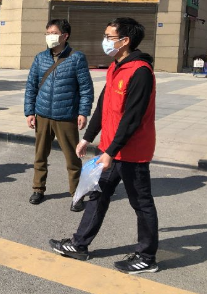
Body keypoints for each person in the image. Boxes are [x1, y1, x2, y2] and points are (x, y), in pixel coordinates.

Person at [49, 17, 159, 274]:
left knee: (141, 203)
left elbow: (132, 118)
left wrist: (111, 151)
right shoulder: (115, 67)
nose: (105, 41)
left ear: (125, 40)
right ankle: (79, 244)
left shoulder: (140, 71)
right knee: (97, 194)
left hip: (132, 152)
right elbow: (103, 106)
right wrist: (87, 138)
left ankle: (147, 257)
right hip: (110, 149)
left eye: (109, 37)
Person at [24, 19, 94, 211]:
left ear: (65, 36)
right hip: (43, 114)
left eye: (53, 33)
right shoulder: (40, 58)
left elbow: (86, 88)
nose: (49, 37)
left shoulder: (77, 58)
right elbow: (31, 86)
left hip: (66, 115)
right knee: (40, 155)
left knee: (72, 159)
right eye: (47, 33)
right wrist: (29, 111)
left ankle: (76, 194)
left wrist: (83, 112)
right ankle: (38, 189)